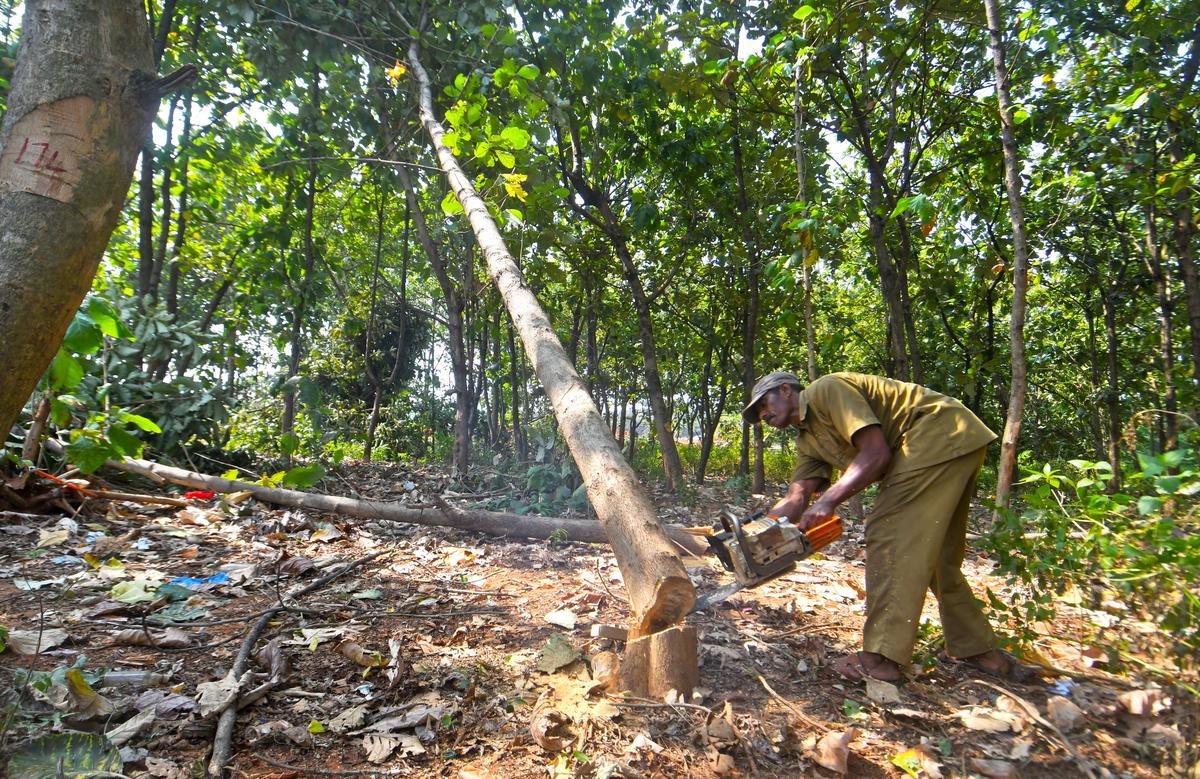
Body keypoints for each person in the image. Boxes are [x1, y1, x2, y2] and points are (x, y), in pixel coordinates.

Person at [743, 370, 1016, 682]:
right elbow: (798, 495)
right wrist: (756, 537)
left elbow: (876, 453)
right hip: (953, 440)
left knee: (888, 533)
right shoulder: (807, 441)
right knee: (937, 556)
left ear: (787, 390)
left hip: (936, 432)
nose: (764, 414)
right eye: (759, 413)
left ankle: (880, 658)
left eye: (765, 403)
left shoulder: (826, 390)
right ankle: (978, 649)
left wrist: (828, 500)